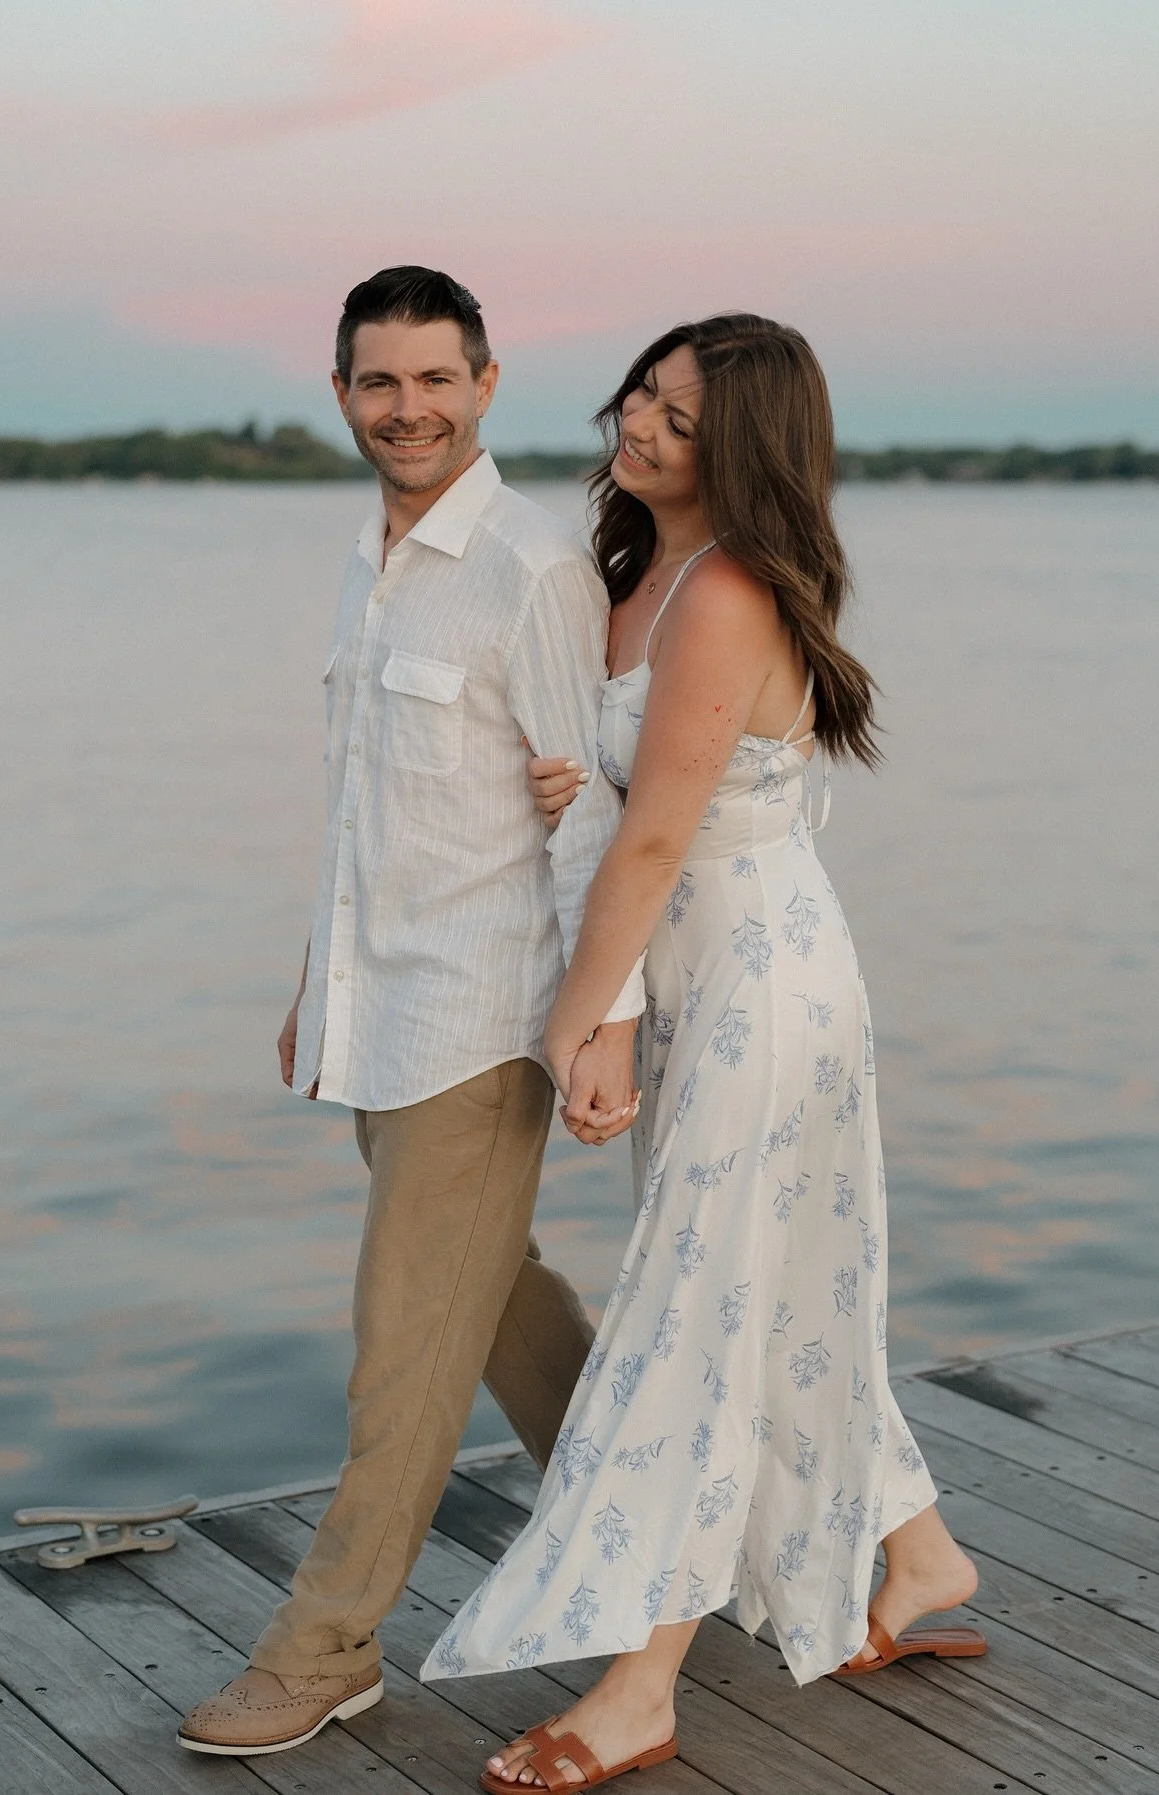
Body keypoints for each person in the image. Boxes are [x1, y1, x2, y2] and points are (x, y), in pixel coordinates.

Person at [422, 315, 985, 1793]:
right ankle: (918, 1554)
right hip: (703, 974)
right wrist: (574, 785)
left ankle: (641, 1686)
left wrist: (579, 1014)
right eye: (644, 395)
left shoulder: (727, 591)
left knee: (696, 1311)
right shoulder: (638, 575)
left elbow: (667, 831)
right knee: (773, 1285)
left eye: (683, 414)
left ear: (748, 446)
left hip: (756, 982)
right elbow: (634, 793)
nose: (645, 426)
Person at [178, 266, 647, 1759]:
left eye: (435, 378)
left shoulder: (529, 567)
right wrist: (320, 986)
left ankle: (323, 1644)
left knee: (400, 1338)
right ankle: (664, 1537)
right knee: (493, 1298)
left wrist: (606, 1024)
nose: (409, 408)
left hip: (482, 1017)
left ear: (488, 381)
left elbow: (593, 818)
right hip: (377, 1012)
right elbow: (364, 807)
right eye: (380, 382)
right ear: (342, 395)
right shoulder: (367, 561)